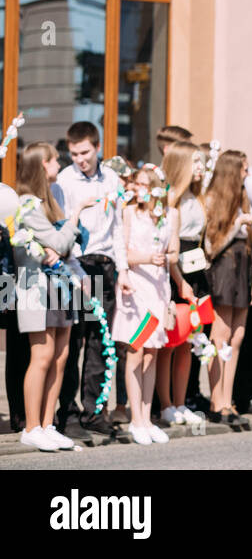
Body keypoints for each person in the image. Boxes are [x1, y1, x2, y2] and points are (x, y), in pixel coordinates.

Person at [14, 143, 95, 451]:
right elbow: (60, 241)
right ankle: (31, 426)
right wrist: (75, 216)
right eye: (54, 160)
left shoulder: (52, 199)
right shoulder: (28, 204)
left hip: (62, 286)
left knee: (61, 357)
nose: (58, 164)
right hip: (36, 287)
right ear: (41, 165)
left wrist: (61, 242)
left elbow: (64, 247)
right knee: (43, 356)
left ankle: (48, 424)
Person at [54, 122, 125, 441]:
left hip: (105, 264)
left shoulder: (112, 178)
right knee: (73, 342)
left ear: (97, 147)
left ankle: (93, 410)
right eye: (74, 154)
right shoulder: (64, 181)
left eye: (85, 152)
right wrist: (75, 272)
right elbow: (62, 227)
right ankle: (66, 413)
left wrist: (122, 269)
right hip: (75, 264)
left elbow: (117, 228)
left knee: (100, 342)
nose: (80, 159)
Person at [114, 165, 179, 446]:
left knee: (153, 352)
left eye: (143, 184)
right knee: (137, 350)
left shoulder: (169, 215)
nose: (138, 189)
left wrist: (167, 257)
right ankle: (134, 418)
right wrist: (144, 259)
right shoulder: (129, 212)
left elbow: (174, 250)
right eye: (136, 184)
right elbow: (123, 250)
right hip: (137, 287)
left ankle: (146, 415)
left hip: (159, 288)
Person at [204, 150, 252, 427]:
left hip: (243, 266)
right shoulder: (214, 198)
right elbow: (211, 247)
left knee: (237, 336)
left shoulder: (243, 198)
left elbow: (249, 245)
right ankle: (216, 400)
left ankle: (227, 398)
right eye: (243, 169)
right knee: (221, 335)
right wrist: (238, 223)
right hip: (224, 266)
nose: (246, 174)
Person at [154, 142, 205, 427]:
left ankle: (182, 401)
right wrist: (180, 282)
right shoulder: (170, 200)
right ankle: (165, 404)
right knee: (170, 342)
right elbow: (169, 248)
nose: (200, 167)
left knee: (188, 341)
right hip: (177, 274)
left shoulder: (196, 198)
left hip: (196, 270)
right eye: (195, 161)